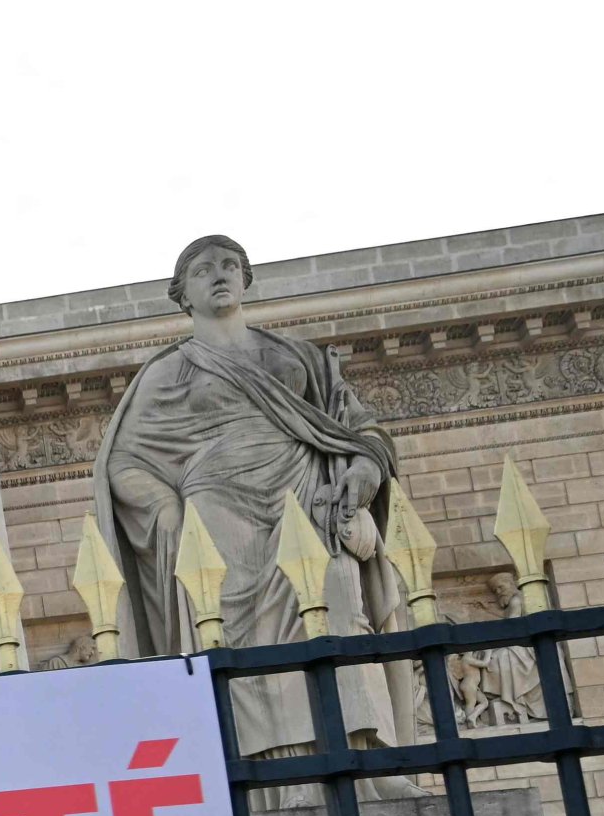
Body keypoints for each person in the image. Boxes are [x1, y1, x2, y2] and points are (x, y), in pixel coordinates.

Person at [93, 233, 403, 752]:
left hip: (306, 496)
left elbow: (356, 425)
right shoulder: (168, 371)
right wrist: (166, 507)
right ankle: (279, 770)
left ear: (245, 278)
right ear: (182, 294)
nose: (219, 274)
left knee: (339, 606)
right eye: (203, 269)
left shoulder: (301, 357)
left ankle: (364, 752)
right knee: (243, 634)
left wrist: (367, 466)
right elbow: (124, 462)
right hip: (218, 508)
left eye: (230, 265)